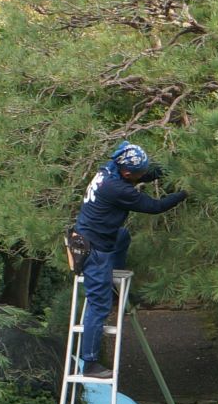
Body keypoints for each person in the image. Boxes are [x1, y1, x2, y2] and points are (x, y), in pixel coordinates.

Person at [67, 141, 186, 380]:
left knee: (123, 236)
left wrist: (172, 165)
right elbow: (155, 206)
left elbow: (143, 174)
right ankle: (89, 362)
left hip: (97, 235)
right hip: (93, 249)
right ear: (127, 173)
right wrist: (184, 193)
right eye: (139, 174)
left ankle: (112, 278)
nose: (142, 175)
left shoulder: (110, 167)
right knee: (98, 305)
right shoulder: (117, 189)